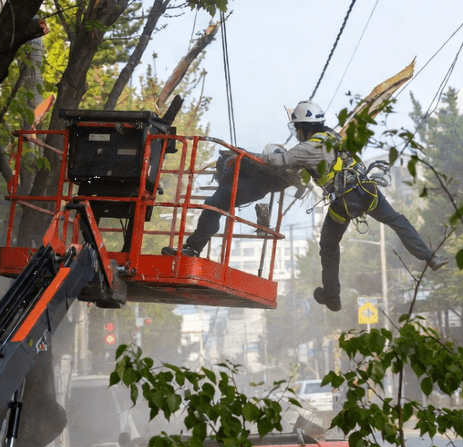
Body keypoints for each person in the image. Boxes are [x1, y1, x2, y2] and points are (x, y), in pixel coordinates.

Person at [256, 100, 448, 312]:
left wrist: (255, 157)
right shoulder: (333, 136)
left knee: (328, 247)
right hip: (368, 191)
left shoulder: (308, 148)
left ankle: (332, 296)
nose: (297, 132)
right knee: (396, 220)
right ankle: (430, 256)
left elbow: (280, 160)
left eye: (298, 128)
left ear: (305, 128)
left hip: (345, 203)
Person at [161, 145, 303, 258]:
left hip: (241, 188)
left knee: (214, 206)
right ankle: (193, 247)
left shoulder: (260, 166)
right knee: (214, 207)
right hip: (248, 190)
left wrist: (235, 156)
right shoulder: (279, 177)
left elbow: (237, 162)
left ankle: (194, 248)